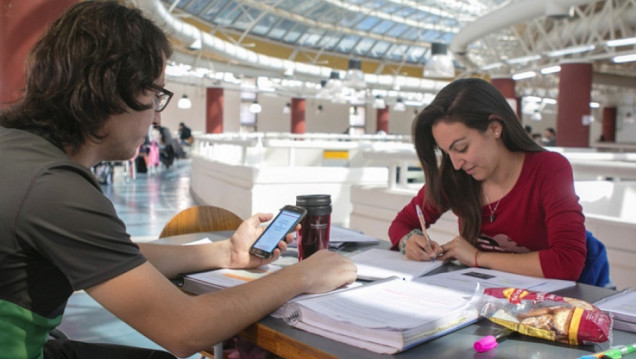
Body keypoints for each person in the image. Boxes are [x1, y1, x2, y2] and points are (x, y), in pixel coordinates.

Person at [0, 2, 357, 358]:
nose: (157, 118)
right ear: (109, 88)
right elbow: (184, 329)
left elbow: (114, 258)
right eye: (155, 96)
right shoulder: (54, 187)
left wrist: (227, 253)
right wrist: (303, 276)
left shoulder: (20, 151)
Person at [388, 78, 586, 281]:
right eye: (448, 153)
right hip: (481, 298)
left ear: (494, 128)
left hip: (544, 305)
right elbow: (402, 224)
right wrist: (408, 241)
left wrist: (477, 257)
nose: (456, 164)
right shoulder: (454, 177)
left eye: (461, 148)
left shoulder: (549, 169)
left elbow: (567, 262)